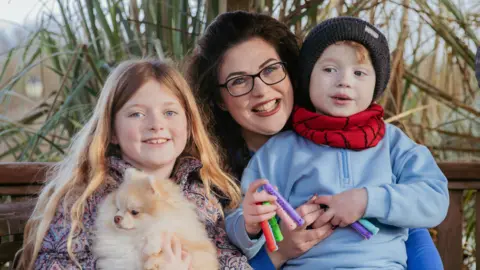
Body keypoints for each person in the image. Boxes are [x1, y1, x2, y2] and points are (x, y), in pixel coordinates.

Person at [187, 11, 445, 269]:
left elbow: (420, 223)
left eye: (270, 69)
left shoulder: (388, 142)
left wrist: (367, 200)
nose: (262, 90)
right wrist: (273, 245)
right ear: (219, 98)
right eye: (239, 81)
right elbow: (239, 226)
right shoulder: (216, 179)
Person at [17, 59, 251, 269]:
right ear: (112, 131)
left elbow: (230, 260)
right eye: (137, 114)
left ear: (189, 125)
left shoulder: (205, 194)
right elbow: (54, 263)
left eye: (169, 112)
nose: (156, 124)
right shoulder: (83, 198)